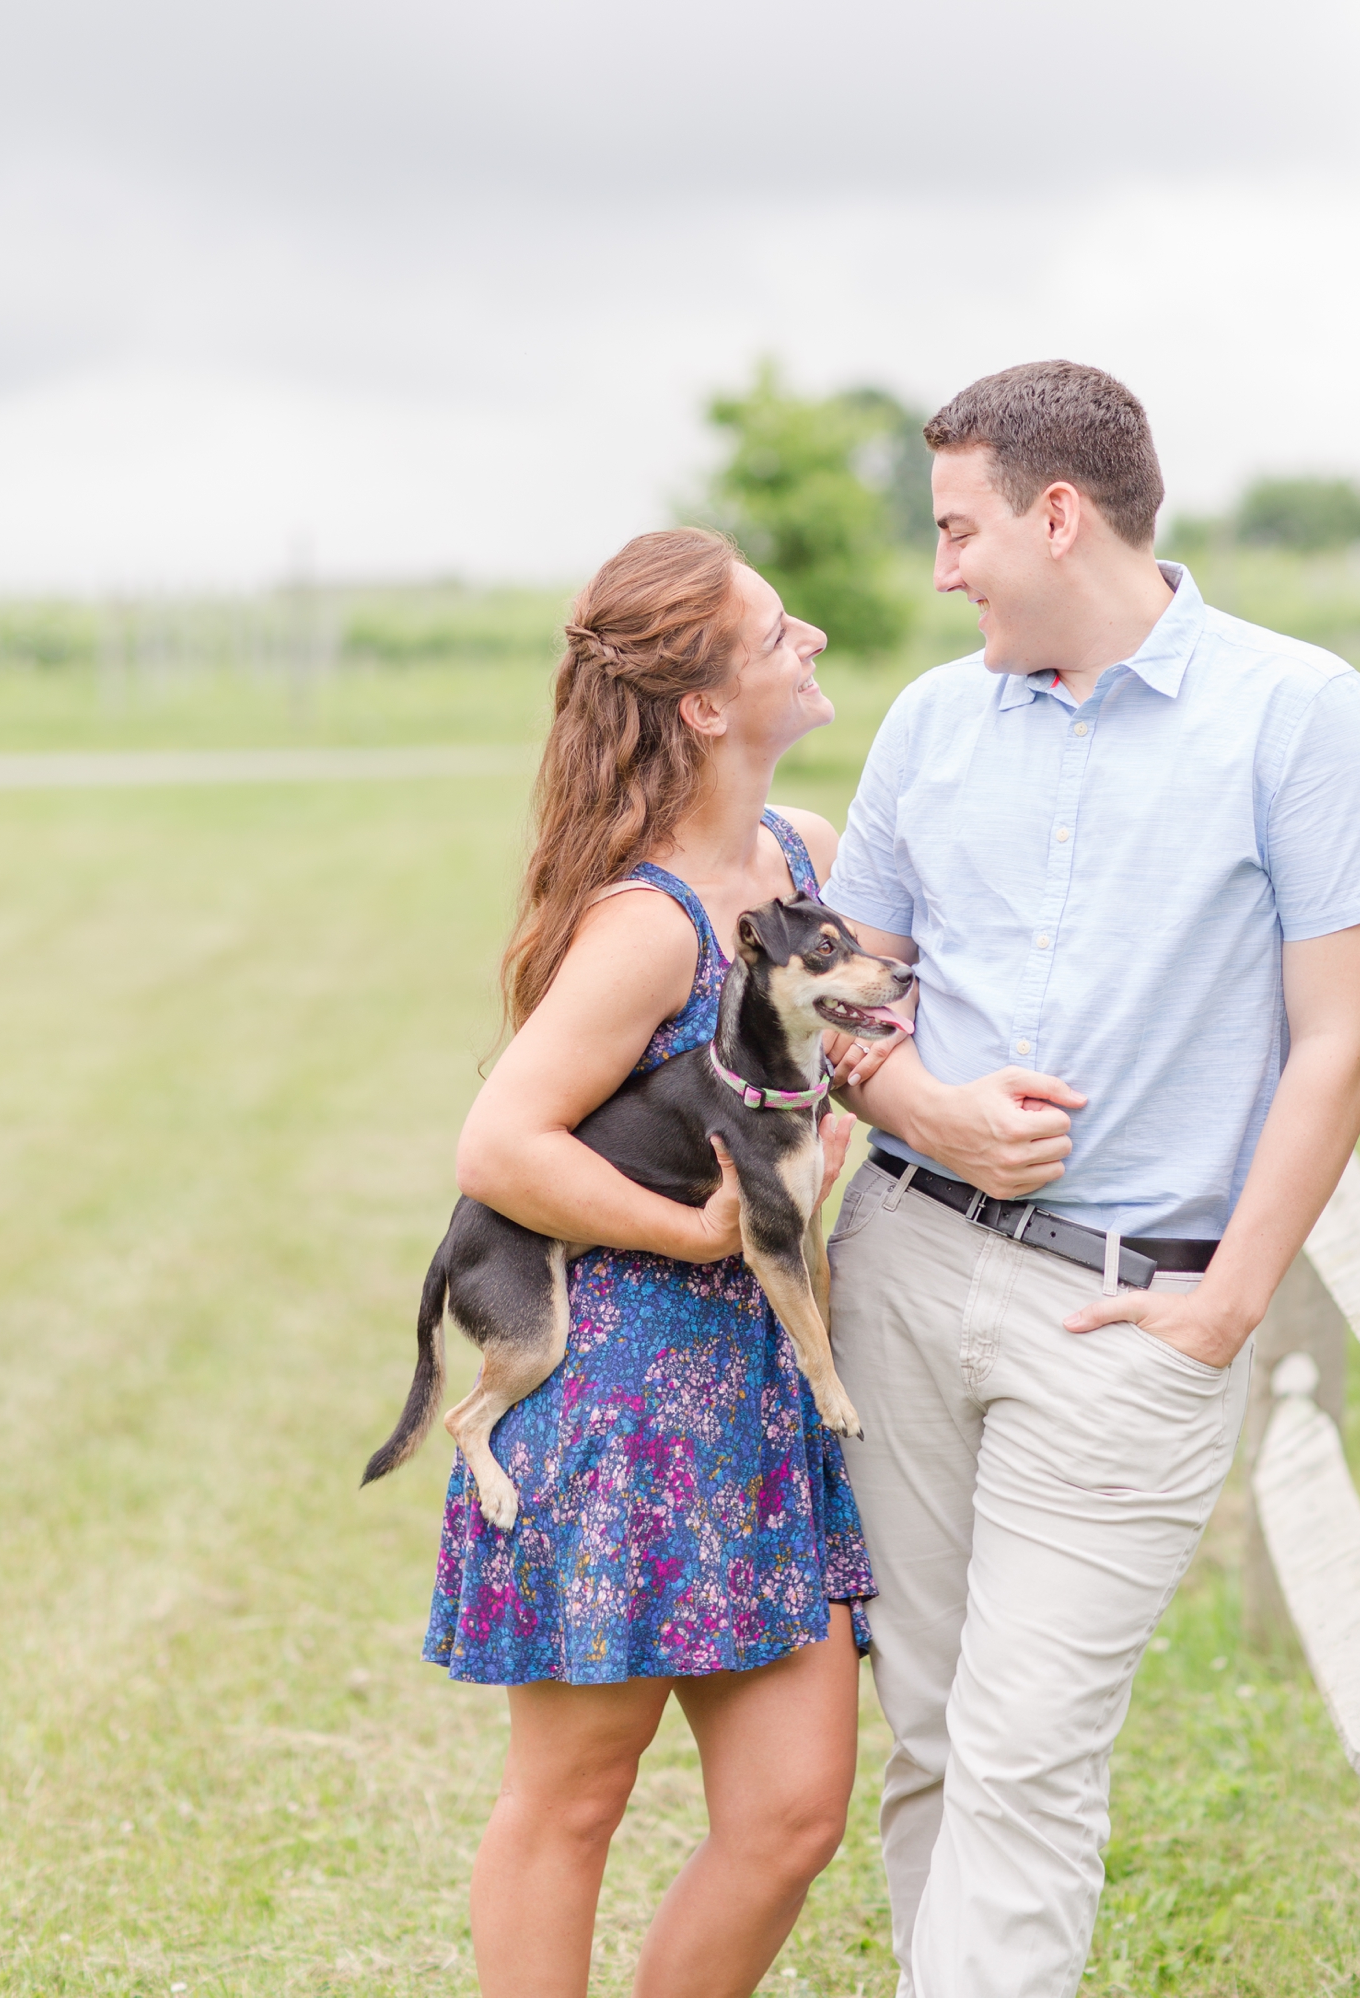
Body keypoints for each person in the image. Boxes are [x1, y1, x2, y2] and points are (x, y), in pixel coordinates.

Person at [821, 360, 1360, 1998]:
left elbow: (1332, 1041)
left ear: (1056, 514)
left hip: (1130, 1317)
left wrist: (1223, 1302)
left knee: (1025, 1751)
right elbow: (841, 996)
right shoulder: (933, 720)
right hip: (907, 1268)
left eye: (957, 529)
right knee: (931, 1733)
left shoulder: (1297, 712)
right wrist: (924, 1095)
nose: (941, 572)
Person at [428, 526, 896, 1998]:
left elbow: (854, 1041)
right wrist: (698, 1229)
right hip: (623, 1402)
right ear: (701, 705)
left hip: (761, 1394)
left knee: (790, 1815)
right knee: (574, 1798)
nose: (809, 636)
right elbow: (501, 1145)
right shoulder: (648, 923)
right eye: (774, 633)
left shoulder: (805, 854)